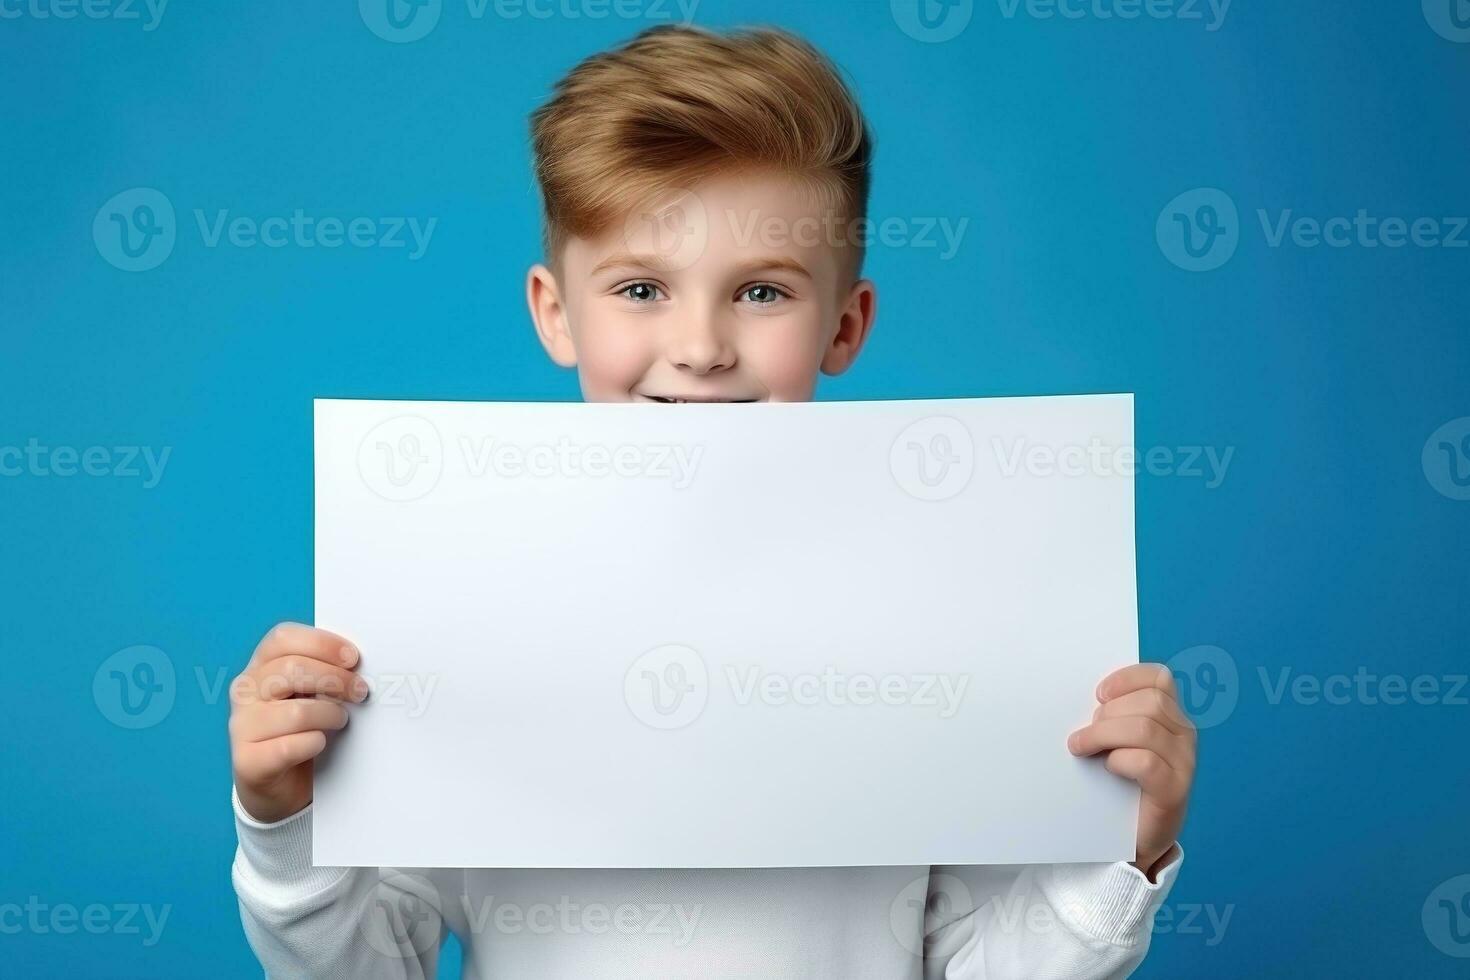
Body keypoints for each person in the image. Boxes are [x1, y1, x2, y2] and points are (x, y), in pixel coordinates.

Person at [230, 25, 1195, 978]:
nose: (700, 346)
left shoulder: (937, 616)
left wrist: (1121, 855)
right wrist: (285, 821)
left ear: (845, 323)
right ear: (555, 314)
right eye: (642, 287)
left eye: (763, 293)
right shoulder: (458, 605)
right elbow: (359, 970)